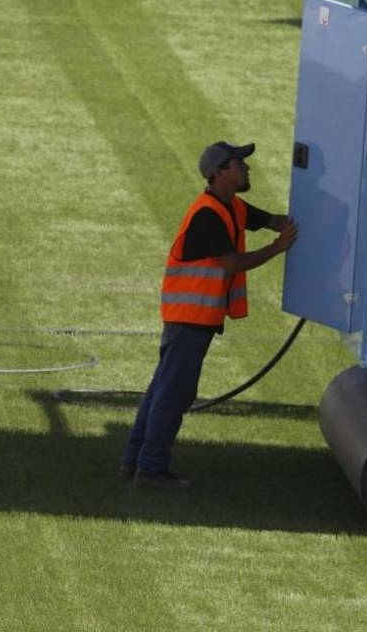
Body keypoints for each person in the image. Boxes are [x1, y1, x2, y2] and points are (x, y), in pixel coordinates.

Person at [120, 142, 298, 490]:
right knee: (173, 396)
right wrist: (279, 248)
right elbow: (232, 263)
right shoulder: (208, 215)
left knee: (162, 391)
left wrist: (300, 225)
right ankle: (151, 469)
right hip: (191, 319)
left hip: (191, 318)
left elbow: (272, 221)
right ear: (219, 173)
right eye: (239, 164)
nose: (247, 169)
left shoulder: (232, 207)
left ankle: (134, 463)